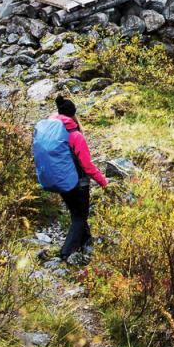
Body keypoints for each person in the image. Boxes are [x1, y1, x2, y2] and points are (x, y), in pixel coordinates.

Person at [38, 96, 108, 264]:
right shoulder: (76, 136)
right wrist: (103, 182)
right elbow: (87, 166)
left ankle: (86, 242)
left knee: (76, 214)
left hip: (60, 182)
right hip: (79, 184)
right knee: (80, 217)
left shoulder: (51, 132)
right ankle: (65, 253)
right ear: (73, 114)